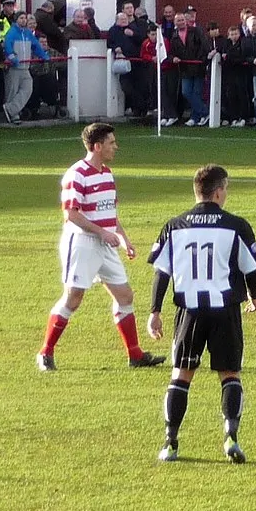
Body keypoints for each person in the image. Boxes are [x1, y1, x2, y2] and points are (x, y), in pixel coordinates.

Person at [149, 163, 256, 464]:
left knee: (181, 375)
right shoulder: (236, 225)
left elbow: (162, 273)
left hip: (189, 311)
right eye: (225, 189)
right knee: (230, 373)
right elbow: (252, 269)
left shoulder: (175, 225)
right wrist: (253, 296)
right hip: (225, 311)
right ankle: (231, 438)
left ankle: (171, 443)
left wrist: (155, 311)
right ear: (217, 192)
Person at [38, 122, 164, 371]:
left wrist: (124, 238)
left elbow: (109, 212)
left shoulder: (106, 173)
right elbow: (71, 215)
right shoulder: (77, 174)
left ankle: (135, 355)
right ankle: (45, 352)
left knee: (125, 295)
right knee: (73, 298)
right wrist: (102, 233)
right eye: (111, 143)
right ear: (97, 146)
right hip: (82, 244)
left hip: (105, 243)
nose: (115, 147)